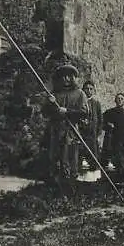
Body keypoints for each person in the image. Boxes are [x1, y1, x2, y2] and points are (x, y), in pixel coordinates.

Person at [42, 63, 89, 196]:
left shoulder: (80, 94)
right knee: (54, 160)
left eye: (69, 76)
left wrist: (67, 111)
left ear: (73, 78)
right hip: (55, 132)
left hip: (71, 132)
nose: (66, 79)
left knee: (69, 160)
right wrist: (50, 104)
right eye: (63, 76)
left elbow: (84, 113)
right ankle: (55, 190)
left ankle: (70, 191)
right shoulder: (54, 94)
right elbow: (45, 113)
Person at [101, 93, 124, 184]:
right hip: (111, 142)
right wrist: (107, 125)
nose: (120, 100)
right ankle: (111, 182)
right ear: (115, 100)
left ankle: (123, 182)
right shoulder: (109, 112)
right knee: (111, 162)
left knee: (123, 162)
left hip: (123, 142)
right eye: (118, 98)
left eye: (121, 98)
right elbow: (101, 123)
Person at [78, 80, 103, 183]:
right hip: (81, 134)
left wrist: (98, 133)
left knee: (93, 154)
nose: (88, 91)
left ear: (94, 91)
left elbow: (100, 120)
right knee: (81, 155)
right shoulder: (79, 102)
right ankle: (80, 178)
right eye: (86, 89)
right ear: (83, 90)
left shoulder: (96, 103)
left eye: (91, 89)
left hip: (92, 135)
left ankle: (92, 179)